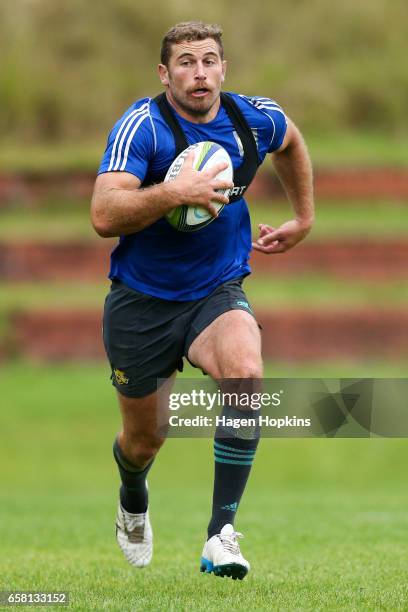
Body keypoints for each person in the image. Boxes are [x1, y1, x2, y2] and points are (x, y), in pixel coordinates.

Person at [91, 21, 314, 580]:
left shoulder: (250, 118)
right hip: (141, 302)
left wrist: (304, 217)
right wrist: (174, 192)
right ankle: (132, 495)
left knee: (246, 375)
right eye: (187, 62)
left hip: (217, 289)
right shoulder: (143, 126)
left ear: (223, 69)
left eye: (210, 60)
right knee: (145, 440)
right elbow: (103, 213)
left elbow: (289, 140)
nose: (200, 73)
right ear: (165, 73)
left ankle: (221, 535)